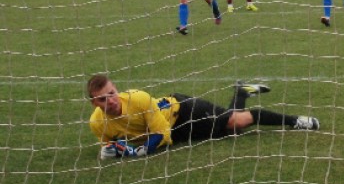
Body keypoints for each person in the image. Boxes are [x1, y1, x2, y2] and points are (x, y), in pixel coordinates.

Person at [86, 74, 319, 160]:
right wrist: (111, 150)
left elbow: (161, 134)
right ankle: (241, 92)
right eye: (103, 99)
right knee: (231, 129)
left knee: (236, 122)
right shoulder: (96, 123)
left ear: (117, 89)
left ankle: (296, 121)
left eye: (112, 93)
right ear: (94, 103)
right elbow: (110, 144)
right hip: (178, 133)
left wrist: (139, 151)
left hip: (184, 110)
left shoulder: (138, 98)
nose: (111, 101)